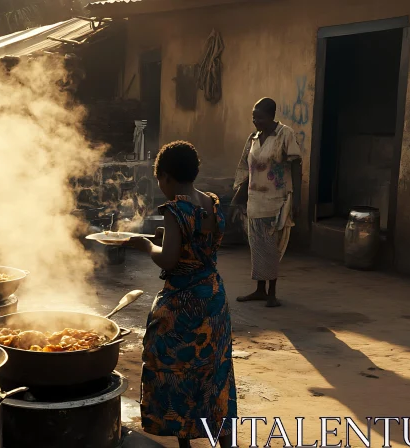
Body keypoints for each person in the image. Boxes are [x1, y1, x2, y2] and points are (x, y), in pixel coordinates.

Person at [126, 141, 237, 448]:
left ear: (167, 177)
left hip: (183, 304)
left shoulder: (176, 208)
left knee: (174, 369)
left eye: (159, 179)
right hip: (213, 298)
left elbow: (168, 259)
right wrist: (167, 238)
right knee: (215, 373)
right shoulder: (210, 202)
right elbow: (198, 241)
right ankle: (223, 439)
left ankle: (184, 440)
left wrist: (146, 245)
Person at [233, 98, 302, 308]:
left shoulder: (285, 135)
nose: (256, 121)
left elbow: (297, 165)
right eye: (254, 117)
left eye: (260, 117)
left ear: (271, 116)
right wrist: (238, 198)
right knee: (257, 247)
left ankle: (272, 292)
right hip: (255, 201)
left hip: (276, 201)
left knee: (271, 248)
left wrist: (297, 198)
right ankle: (259, 289)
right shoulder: (253, 138)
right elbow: (247, 170)